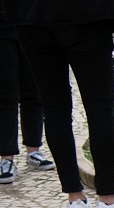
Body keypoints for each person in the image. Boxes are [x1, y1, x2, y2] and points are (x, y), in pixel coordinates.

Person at [2, 0, 114, 208]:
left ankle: (76, 200)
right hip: (84, 14)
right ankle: (108, 200)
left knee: (55, 109)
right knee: (99, 107)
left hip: (32, 15)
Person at [0, 5, 55, 184]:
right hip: (3, 28)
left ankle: (33, 150)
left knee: (33, 92)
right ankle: (6, 158)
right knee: (6, 94)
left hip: (31, 23)